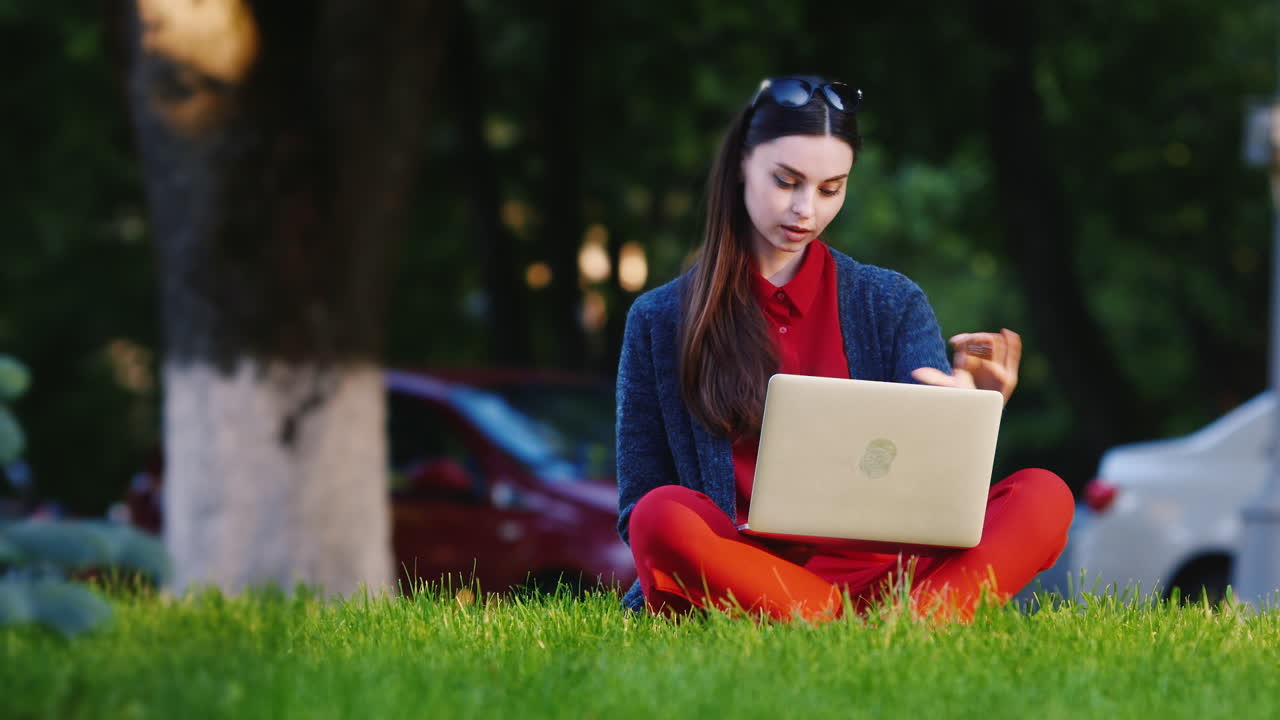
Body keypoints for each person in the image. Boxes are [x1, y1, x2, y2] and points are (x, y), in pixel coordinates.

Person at [615, 76, 1074, 623]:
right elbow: (636, 508)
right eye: (786, 182)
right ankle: (866, 624)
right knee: (658, 515)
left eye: (831, 189)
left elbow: (935, 495)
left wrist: (971, 408)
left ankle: (905, 621)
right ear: (741, 165)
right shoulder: (659, 319)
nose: (805, 210)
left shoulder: (890, 301)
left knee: (1045, 494)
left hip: (890, 574)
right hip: (744, 575)